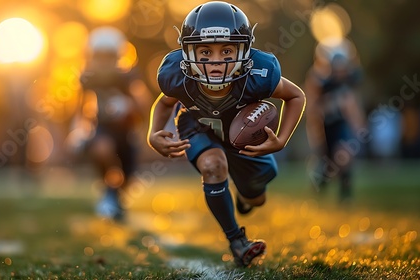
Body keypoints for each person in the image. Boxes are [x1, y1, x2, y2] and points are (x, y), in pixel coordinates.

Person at [147, 1, 305, 267]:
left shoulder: (259, 74)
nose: (216, 61)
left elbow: (296, 95)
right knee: (213, 165)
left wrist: (282, 138)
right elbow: (164, 102)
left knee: (256, 198)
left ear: (245, 49)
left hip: (244, 139)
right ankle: (237, 241)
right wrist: (153, 133)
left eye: (227, 50)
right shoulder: (176, 75)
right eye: (205, 51)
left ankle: (243, 197)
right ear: (187, 51)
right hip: (198, 126)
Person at [69, 26, 151, 221]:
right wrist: (77, 131)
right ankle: (109, 194)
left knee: (127, 179)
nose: (104, 61)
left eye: (109, 56)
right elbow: (81, 107)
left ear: (118, 56)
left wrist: (132, 109)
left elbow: (142, 106)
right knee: (102, 149)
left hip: (125, 132)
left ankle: (114, 199)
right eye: (100, 56)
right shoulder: (88, 78)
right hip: (102, 129)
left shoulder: (126, 77)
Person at [304, 39, 366, 203]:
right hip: (325, 126)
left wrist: (359, 127)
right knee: (327, 164)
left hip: (341, 124)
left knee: (343, 154)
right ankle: (320, 186)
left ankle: (345, 195)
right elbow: (311, 109)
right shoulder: (320, 82)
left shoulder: (351, 79)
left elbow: (352, 105)